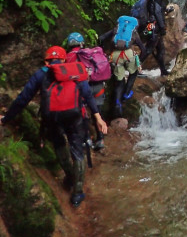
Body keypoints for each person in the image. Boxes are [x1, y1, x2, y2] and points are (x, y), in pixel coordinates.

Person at [0, 46, 108, 208]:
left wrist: (6, 119)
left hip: (52, 118)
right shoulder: (74, 71)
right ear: (64, 60)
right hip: (75, 117)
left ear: (46, 61)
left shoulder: (41, 74)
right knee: (77, 151)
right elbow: (87, 94)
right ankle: (77, 192)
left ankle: (70, 176)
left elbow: (23, 98)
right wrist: (98, 117)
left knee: (59, 145)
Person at [66, 32, 107, 150]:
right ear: (82, 43)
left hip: (83, 88)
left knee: (83, 113)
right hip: (98, 86)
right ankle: (100, 139)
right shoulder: (90, 54)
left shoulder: (69, 57)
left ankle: (87, 139)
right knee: (97, 112)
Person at [98, 23, 146, 117]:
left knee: (119, 81)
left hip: (115, 56)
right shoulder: (133, 32)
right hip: (129, 54)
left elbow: (101, 38)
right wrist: (139, 61)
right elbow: (143, 49)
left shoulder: (116, 29)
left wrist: (102, 51)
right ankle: (126, 94)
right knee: (133, 73)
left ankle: (117, 103)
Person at [139, 0, 170, 76]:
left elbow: (158, 10)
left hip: (153, 26)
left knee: (160, 50)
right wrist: (162, 27)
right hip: (154, 27)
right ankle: (134, 69)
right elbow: (156, 12)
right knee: (149, 49)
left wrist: (166, 10)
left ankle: (163, 71)